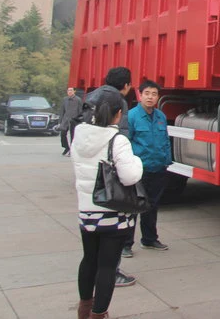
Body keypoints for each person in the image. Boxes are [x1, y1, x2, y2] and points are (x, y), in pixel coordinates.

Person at [71, 89, 142, 319]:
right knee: (107, 267)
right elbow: (130, 176)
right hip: (112, 213)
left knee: (89, 260)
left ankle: (84, 309)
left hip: (87, 211)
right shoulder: (117, 140)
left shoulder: (78, 134)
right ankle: (99, 314)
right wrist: (138, 161)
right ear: (118, 114)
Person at [83, 67, 137, 287]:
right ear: (126, 86)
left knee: (90, 243)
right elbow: (120, 137)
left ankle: (88, 288)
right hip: (108, 177)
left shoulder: (91, 97)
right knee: (112, 233)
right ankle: (112, 274)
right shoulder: (118, 102)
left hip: (87, 180)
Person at [123, 80, 171, 257]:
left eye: (154, 94)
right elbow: (126, 142)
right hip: (138, 170)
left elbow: (165, 140)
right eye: (147, 94)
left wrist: (166, 161)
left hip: (158, 168)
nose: (150, 97)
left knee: (152, 206)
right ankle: (126, 244)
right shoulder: (131, 116)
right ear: (140, 95)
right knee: (133, 208)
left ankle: (150, 239)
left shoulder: (161, 117)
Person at [59, 87, 82, 156]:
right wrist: (60, 121)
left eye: (71, 90)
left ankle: (72, 150)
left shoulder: (78, 100)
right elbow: (62, 110)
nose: (69, 92)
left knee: (73, 136)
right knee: (62, 134)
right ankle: (66, 147)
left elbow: (80, 111)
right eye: (68, 90)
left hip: (74, 120)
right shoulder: (65, 99)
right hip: (65, 119)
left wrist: (79, 120)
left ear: (74, 91)